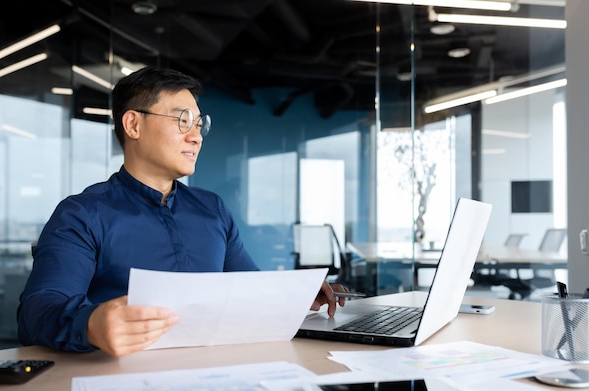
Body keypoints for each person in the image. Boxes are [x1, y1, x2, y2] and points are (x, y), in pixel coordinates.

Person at [17, 66, 347, 357]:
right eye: (183, 120)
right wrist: (91, 324)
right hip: (120, 379)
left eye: (200, 124)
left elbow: (249, 289)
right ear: (133, 124)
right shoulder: (82, 214)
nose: (196, 136)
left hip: (215, 374)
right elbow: (38, 311)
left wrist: (296, 295)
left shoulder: (212, 209)